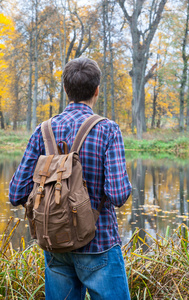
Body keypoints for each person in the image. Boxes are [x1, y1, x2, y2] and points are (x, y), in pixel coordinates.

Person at [9, 57, 132, 300]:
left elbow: (16, 194)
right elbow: (118, 195)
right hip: (99, 243)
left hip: (56, 244)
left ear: (66, 90)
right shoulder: (108, 129)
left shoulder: (42, 131)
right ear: (97, 91)